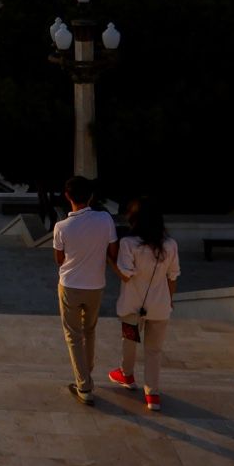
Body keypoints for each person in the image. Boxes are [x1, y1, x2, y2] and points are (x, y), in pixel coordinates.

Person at [109, 201, 182, 412]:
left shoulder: (128, 244)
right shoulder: (170, 245)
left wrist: (109, 261)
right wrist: (170, 299)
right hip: (160, 307)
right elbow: (173, 277)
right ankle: (152, 394)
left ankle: (126, 374)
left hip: (132, 306)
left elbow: (125, 275)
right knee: (154, 351)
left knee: (129, 341)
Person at [51, 175, 117, 405]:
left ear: (67, 196)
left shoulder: (61, 227)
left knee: (73, 335)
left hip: (70, 285)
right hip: (96, 285)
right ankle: (86, 374)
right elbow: (113, 251)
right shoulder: (105, 219)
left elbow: (59, 259)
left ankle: (84, 385)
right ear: (91, 196)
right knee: (89, 330)